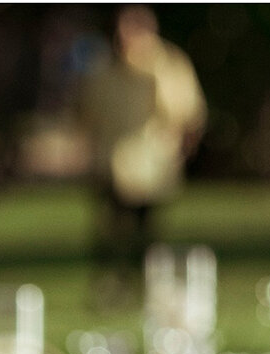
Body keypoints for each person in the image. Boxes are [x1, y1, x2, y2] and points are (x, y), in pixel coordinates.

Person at [77, 7, 205, 286]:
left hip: (151, 166)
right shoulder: (105, 69)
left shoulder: (169, 66)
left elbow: (187, 113)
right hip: (111, 163)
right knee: (110, 232)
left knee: (146, 235)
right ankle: (112, 285)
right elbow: (89, 115)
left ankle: (148, 285)